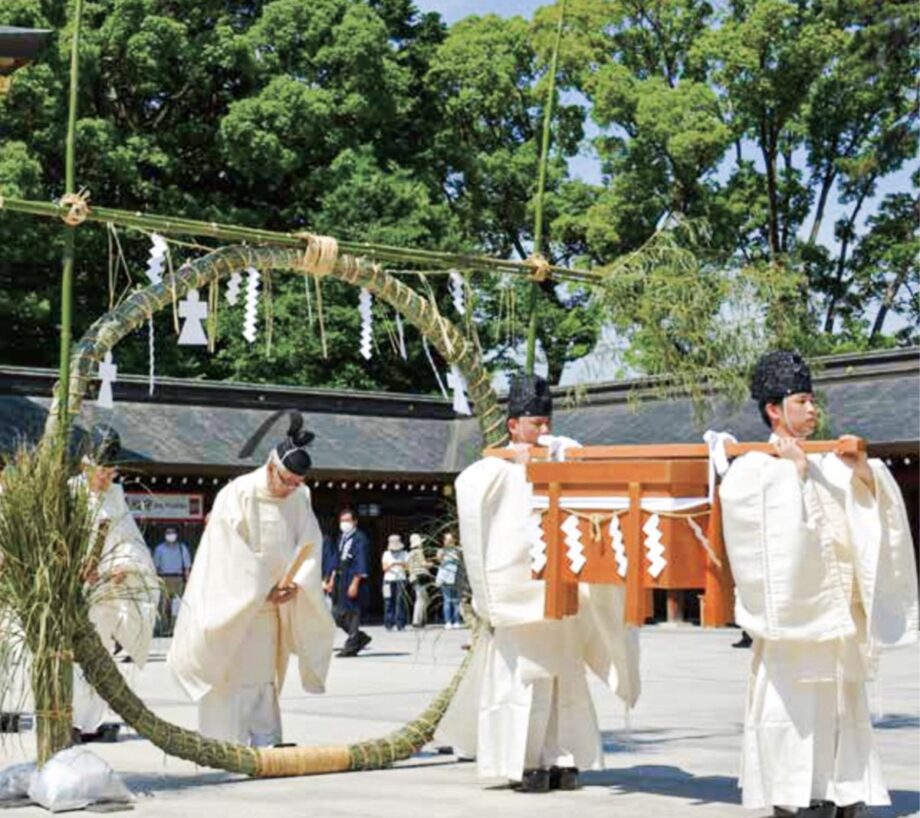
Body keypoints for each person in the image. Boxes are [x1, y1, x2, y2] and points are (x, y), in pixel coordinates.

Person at [719, 351, 918, 818]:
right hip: (796, 616)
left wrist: (865, 470)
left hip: (839, 616)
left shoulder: (831, 461)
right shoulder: (754, 468)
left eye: (813, 402)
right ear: (774, 408)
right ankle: (794, 796)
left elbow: (872, 511)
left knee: (842, 708)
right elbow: (758, 539)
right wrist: (796, 476)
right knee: (792, 709)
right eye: (803, 401)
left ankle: (845, 792)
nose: (813, 410)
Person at [438, 374, 641, 793]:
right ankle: (524, 762)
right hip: (520, 592)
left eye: (546, 422)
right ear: (513, 425)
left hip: (564, 588)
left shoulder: (563, 457)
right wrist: (517, 467)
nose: (543, 430)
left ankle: (563, 759)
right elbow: (467, 488)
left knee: (565, 677)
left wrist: (559, 462)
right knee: (526, 679)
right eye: (534, 423)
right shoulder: (492, 470)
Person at [168, 412, 334, 746]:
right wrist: (260, 588)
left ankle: (265, 738)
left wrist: (295, 581)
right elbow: (226, 551)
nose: (290, 488)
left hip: (276, 606)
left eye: (297, 483)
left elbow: (310, 542)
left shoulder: (299, 498)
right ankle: (223, 743)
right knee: (229, 675)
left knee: (262, 678)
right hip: (235, 606)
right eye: (286, 480)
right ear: (272, 467)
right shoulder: (238, 492)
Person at [72, 425, 160, 742]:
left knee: (104, 657)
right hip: (76, 594)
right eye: (102, 472)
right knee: (77, 659)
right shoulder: (70, 494)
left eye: (112, 473)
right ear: (86, 466)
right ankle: (70, 720)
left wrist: (124, 565)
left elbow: (130, 541)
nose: (107, 479)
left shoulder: (116, 497)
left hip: (108, 589)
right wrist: (78, 567)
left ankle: (91, 724)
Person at [323, 508, 371, 657]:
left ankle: (352, 644)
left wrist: (355, 582)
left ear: (355, 522)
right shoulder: (341, 538)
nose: (344, 524)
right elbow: (335, 560)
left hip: (351, 577)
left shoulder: (360, 538)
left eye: (347, 521)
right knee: (336, 613)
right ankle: (358, 636)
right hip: (339, 577)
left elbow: (361, 561)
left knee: (352, 611)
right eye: (342, 521)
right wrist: (330, 578)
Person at [152, 526, 191, 636]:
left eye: (172, 533)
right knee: (164, 605)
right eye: (168, 533)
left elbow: (187, 567)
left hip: (178, 578)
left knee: (177, 605)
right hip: (164, 578)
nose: (171, 535)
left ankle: (175, 628)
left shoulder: (182, 548)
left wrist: (187, 580)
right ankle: (164, 628)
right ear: (165, 535)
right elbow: (156, 567)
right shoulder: (160, 549)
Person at [381, 534, 409, 631]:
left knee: (400, 602)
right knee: (388, 602)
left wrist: (400, 563)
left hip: (400, 579)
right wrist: (392, 564)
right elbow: (384, 568)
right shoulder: (386, 554)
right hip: (388, 580)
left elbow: (407, 566)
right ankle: (389, 623)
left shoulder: (404, 553)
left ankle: (400, 624)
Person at [436, 531, 463, 629]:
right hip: (445, 578)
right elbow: (439, 559)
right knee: (447, 600)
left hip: (456, 577)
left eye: (450, 539)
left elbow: (461, 557)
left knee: (456, 601)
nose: (448, 541)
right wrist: (444, 551)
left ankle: (457, 621)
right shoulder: (441, 551)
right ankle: (448, 621)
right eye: (447, 539)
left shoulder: (457, 550)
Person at [407, 533, 432, 628]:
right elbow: (423, 563)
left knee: (422, 598)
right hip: (420, 577)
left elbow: (409, 566)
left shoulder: (410, 553)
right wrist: (430, 564)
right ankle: (417, 620)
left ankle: (422, 619)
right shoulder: (418, 552)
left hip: (413, 577)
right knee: (422, 599)